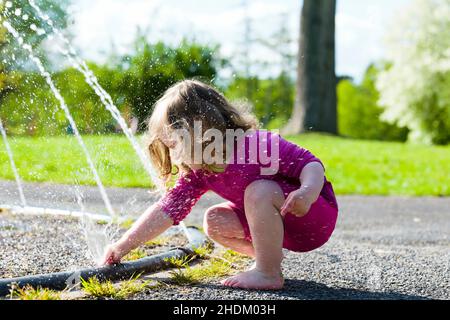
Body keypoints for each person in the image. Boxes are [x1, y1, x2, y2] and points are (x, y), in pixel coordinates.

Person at [101, 80, 338, 290]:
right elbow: (166, 210)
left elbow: (311, 164)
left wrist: (306, 194)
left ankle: (268, 273)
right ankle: (268, 258)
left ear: (199, 132)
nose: (174, 156)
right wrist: (123, 246)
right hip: (284, 229)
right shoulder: (200, 172)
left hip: (313, 214)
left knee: (259, 191)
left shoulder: (255, 145)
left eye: (174, 145)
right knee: (214, 221)